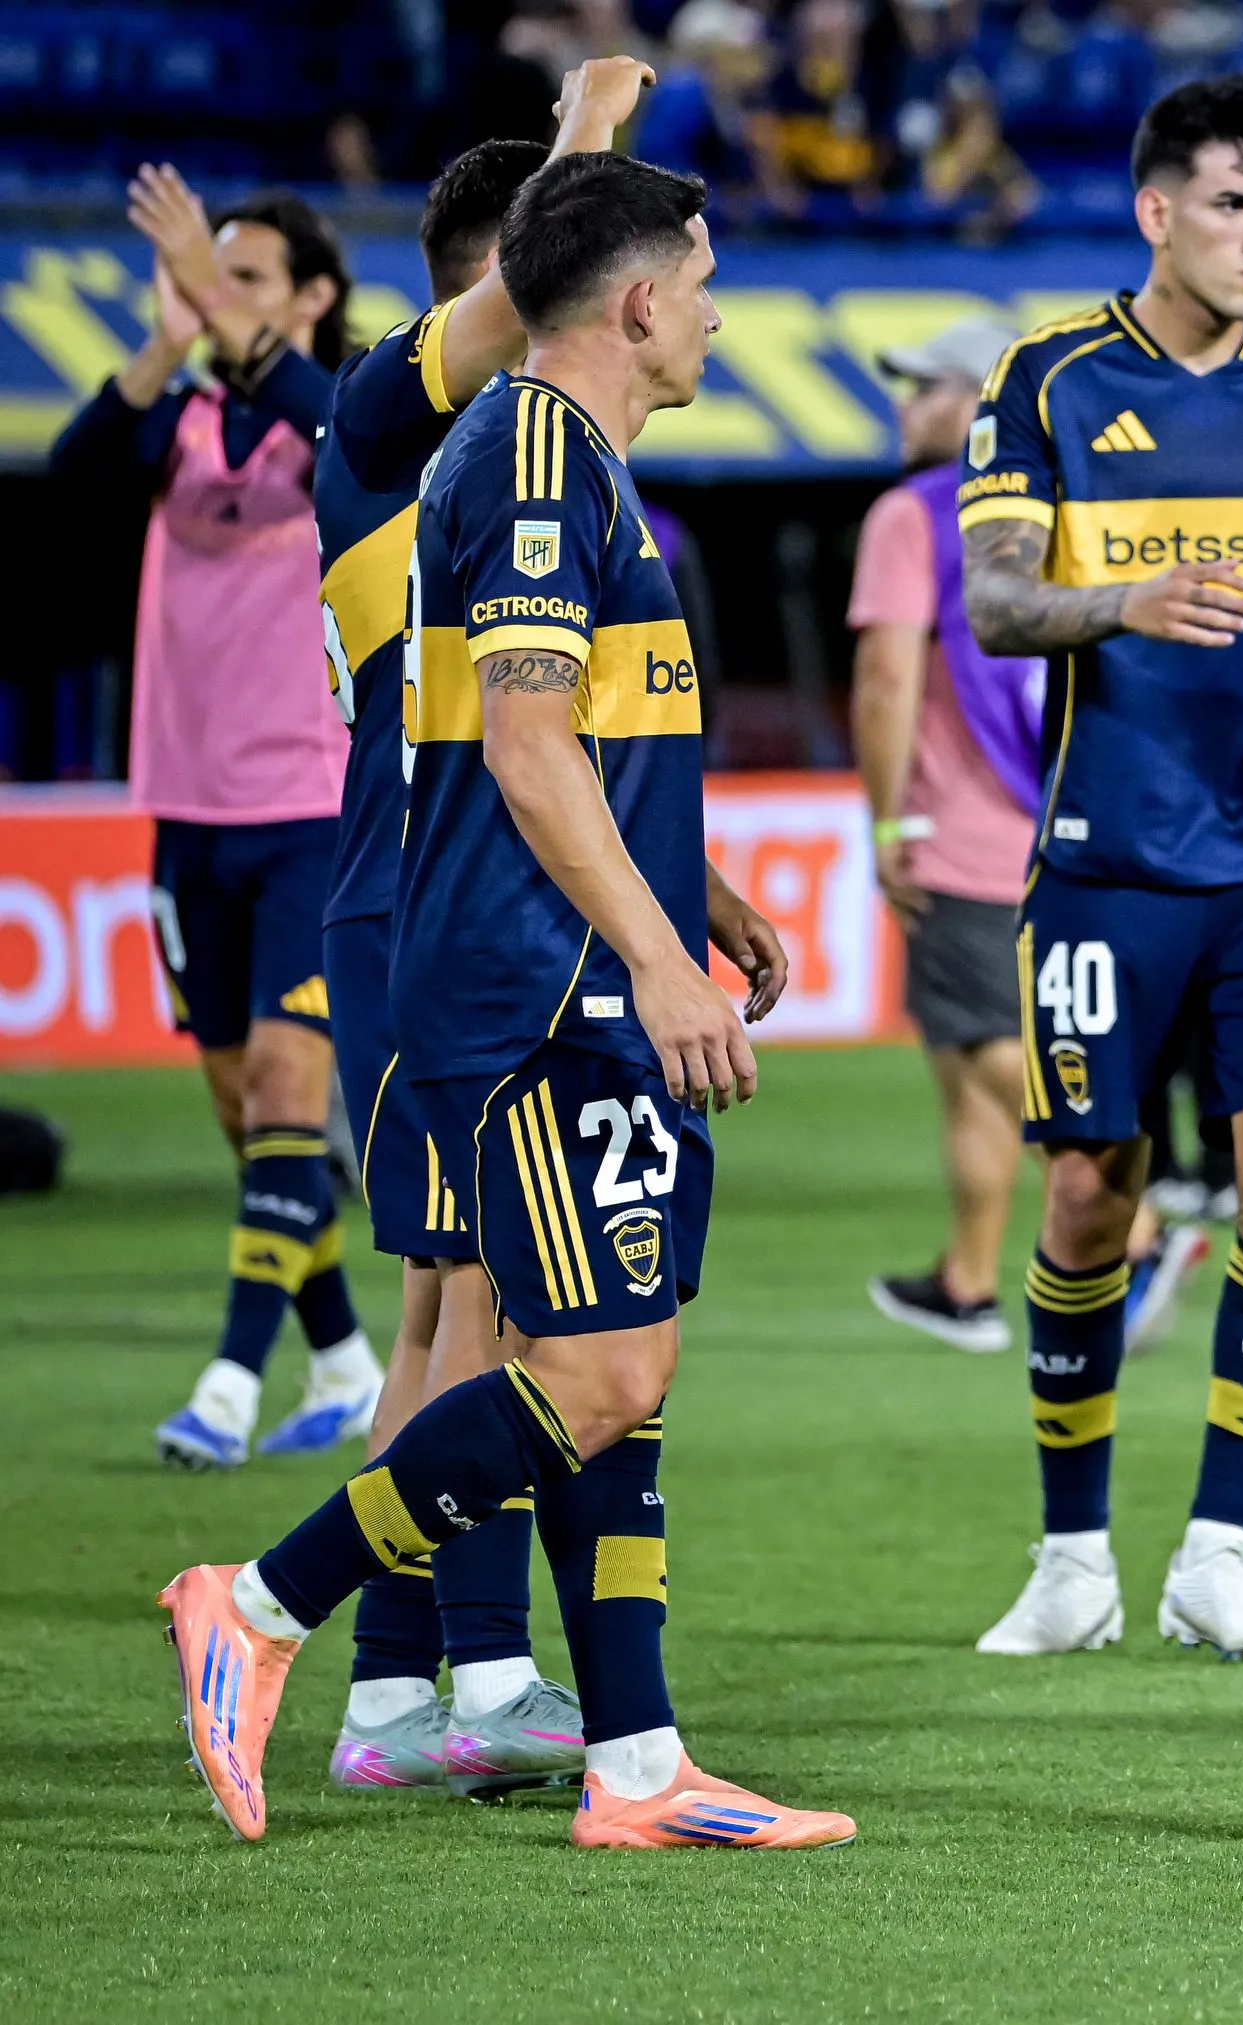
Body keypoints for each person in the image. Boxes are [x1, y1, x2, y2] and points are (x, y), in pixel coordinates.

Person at [158, 150, 846, 1850]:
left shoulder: (572, 462)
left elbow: (552, 738)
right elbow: (532, 755)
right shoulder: (534, 457)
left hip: (570, 961)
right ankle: (259, 1607)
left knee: (625, 1363)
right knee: (592, 1372)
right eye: (702, 284)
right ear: (637, 302)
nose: (715, 316)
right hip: (538, 988)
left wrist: (693, 896)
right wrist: (658, 959)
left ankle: (637, 1766)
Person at [957, 76, 1243, 1664]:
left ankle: (1220, 1548)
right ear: (1157, 212)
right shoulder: (1050, 380)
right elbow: (994, 603)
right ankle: (1072, 1556)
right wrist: (1123, 603)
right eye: (1230, 205)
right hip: (1114, 859)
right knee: (1091, 1195)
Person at [307, 57, 651, 1801]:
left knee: (472, 1302)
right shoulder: (391, 426)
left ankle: (420, 1683)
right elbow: (534, 285)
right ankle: (430, 1671)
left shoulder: (511, 461)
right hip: (423, 906)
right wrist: (589, 142)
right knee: (483, 1307)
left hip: (459, 902)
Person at [53, 175, 376, 1471]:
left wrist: (218, 315)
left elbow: (332, 423)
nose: (212, 291)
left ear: (313, 297)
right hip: (186, 809)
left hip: (312, 805)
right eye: (207, 270)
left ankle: (230, 1386)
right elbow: (75, 478)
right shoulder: (179, 420)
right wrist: (162, 341)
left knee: (293, 1093)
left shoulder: (349, 410)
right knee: (252, 1119)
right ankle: (345, 1362)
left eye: (243, 276)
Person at [849, 312, 1066, 1351]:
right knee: (965, 1065)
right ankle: (967, 1282)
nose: (908, 406)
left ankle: (1137, 1223)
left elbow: (886, 676)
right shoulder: (1067, 509)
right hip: (1064, 822)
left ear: (979, 400)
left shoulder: (914, 513)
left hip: (963, 835)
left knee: (986, 1046)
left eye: (929, 385)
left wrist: (888, 817)